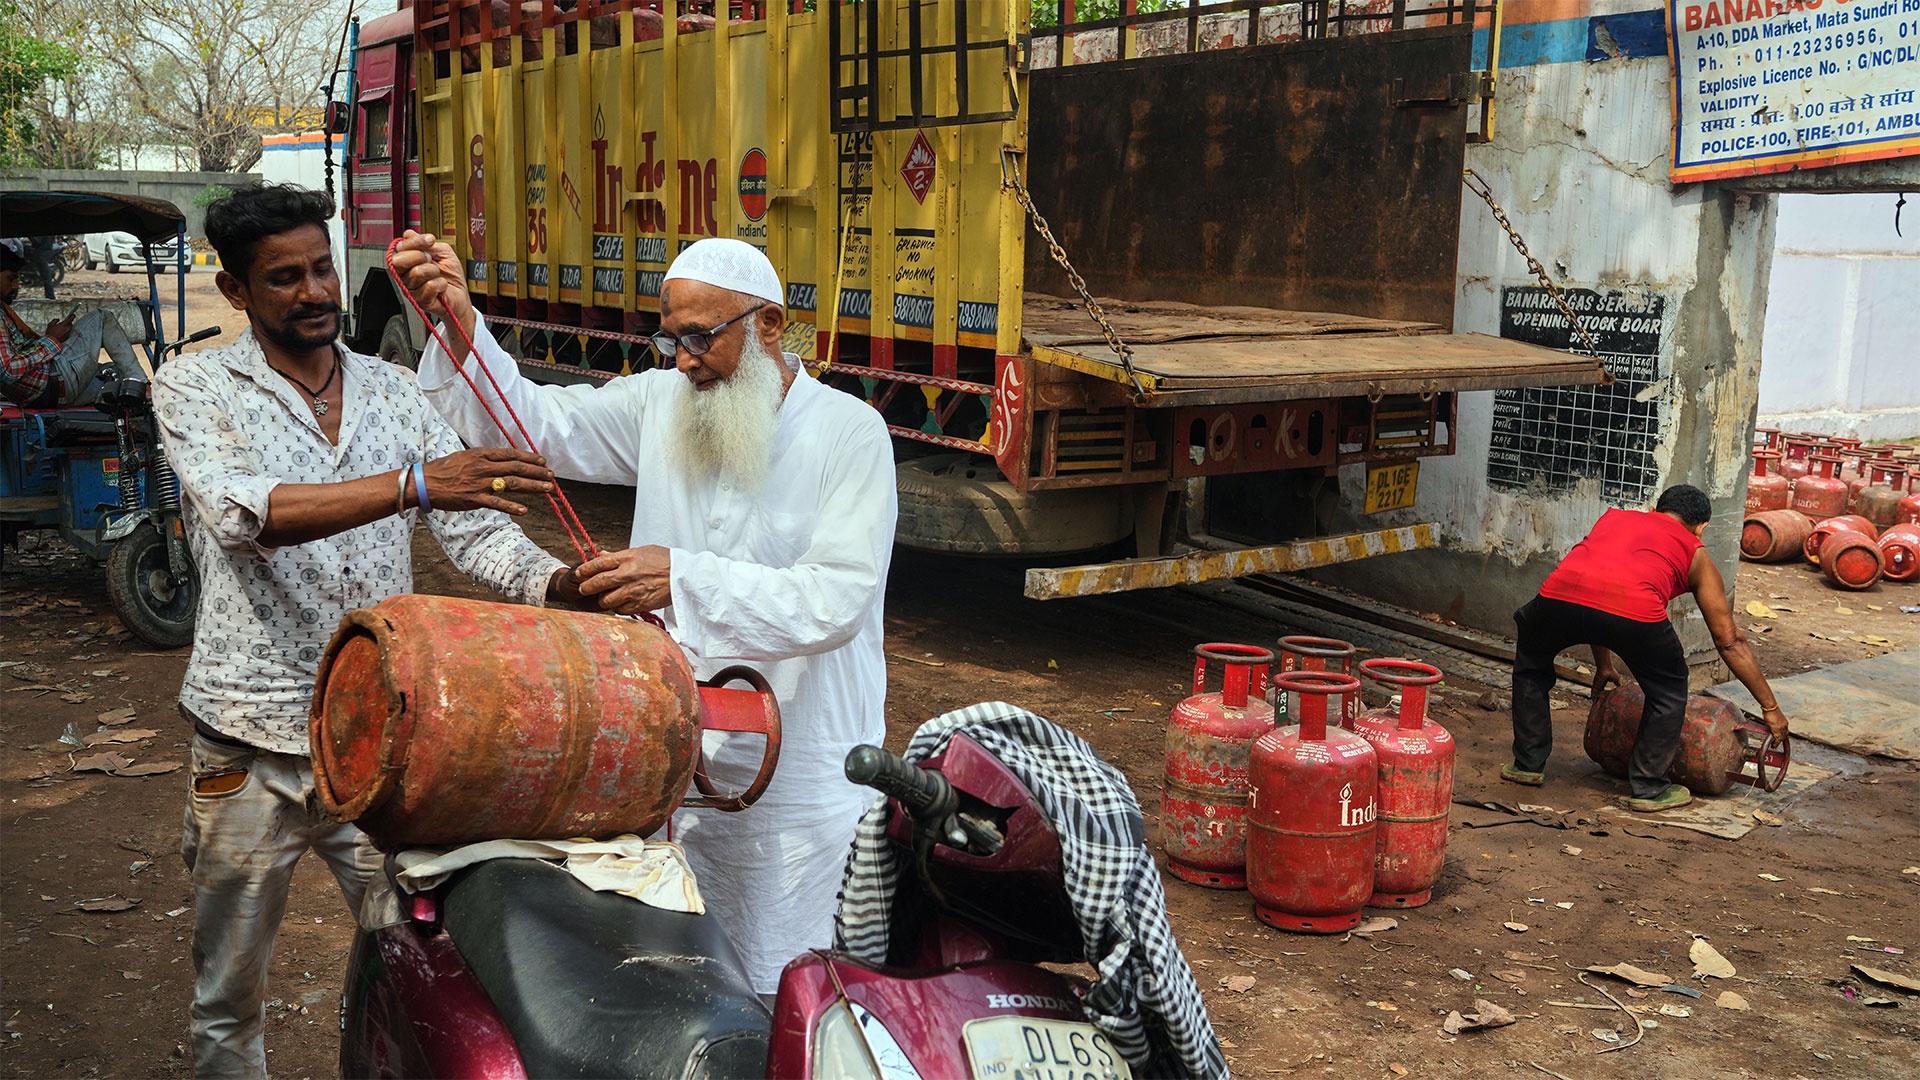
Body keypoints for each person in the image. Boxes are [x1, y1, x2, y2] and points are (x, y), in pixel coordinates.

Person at [150, 184, 592, 1078]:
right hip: (250, 744)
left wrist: (559, 582)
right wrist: (414, 485)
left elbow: (472, 529)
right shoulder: (194, 385)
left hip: (382, 741)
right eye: (285, 278)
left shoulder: (392, 391)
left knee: (423, 970)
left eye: (322, 268)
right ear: (237, 292)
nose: (315, 291)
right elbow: (246, 515)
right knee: (229, 996)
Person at [390, 231, 897, 996]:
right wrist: (463, 322)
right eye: (672, 336)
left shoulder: (850, 434)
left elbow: (837, 600)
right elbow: (531, 423)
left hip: (804, 780)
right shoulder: (665, 400)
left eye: (702, 336)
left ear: (769, 325)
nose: (685, 357)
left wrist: (682, 577)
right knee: (691, 983)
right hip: (680, 758)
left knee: (794, 990)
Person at [1503, 484, 1791, 811]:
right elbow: (1728, 640)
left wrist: (1605, 664)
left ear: (1657, 509)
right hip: (1633, 610)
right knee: (1668, 687)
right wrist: (1770, 708)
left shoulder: (1614, 520)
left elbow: (1595, 590)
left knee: (1531, 669)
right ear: (1702, 527)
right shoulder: (1695, 550)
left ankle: (1527, 765)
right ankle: (1649, 787)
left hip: (1556, 597)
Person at [1, 237, 141, 407]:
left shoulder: (4, 311)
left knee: (115, 373)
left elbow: (18, 354)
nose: (16, 286)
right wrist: (51, 340)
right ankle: (141, 383)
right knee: (101, 317)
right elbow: (8, 371)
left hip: (46, 395)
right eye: (11, 279)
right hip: (53, 383)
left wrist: (47, 338)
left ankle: (138, 387)